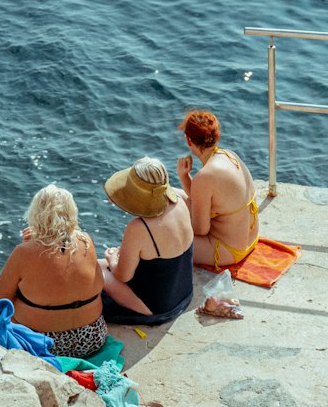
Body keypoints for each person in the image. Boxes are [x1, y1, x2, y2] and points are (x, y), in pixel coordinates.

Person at [0, 184, 107, 358]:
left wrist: (29, 245)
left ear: (36, 213)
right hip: (92, 338)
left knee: (3, 285)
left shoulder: (24, 251)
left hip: (43, 343)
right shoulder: (86, 241)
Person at [101, 157, 194, 324]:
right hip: (184, 294)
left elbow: (122, 276)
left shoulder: (139, 227)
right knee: (97, 263)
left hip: (158, 308)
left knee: (94, 272)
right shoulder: (180, 198)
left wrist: (113, 259)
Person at [177, 109, 259, 270]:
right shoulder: (229, 155)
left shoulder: (205, 176)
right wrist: (183, 176)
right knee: (174, 195)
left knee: (166, 234)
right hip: (250, 240)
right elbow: (203, 196)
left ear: (189, 141)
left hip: (228, 251)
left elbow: (200, 230)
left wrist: (178, 221)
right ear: (216, 136)